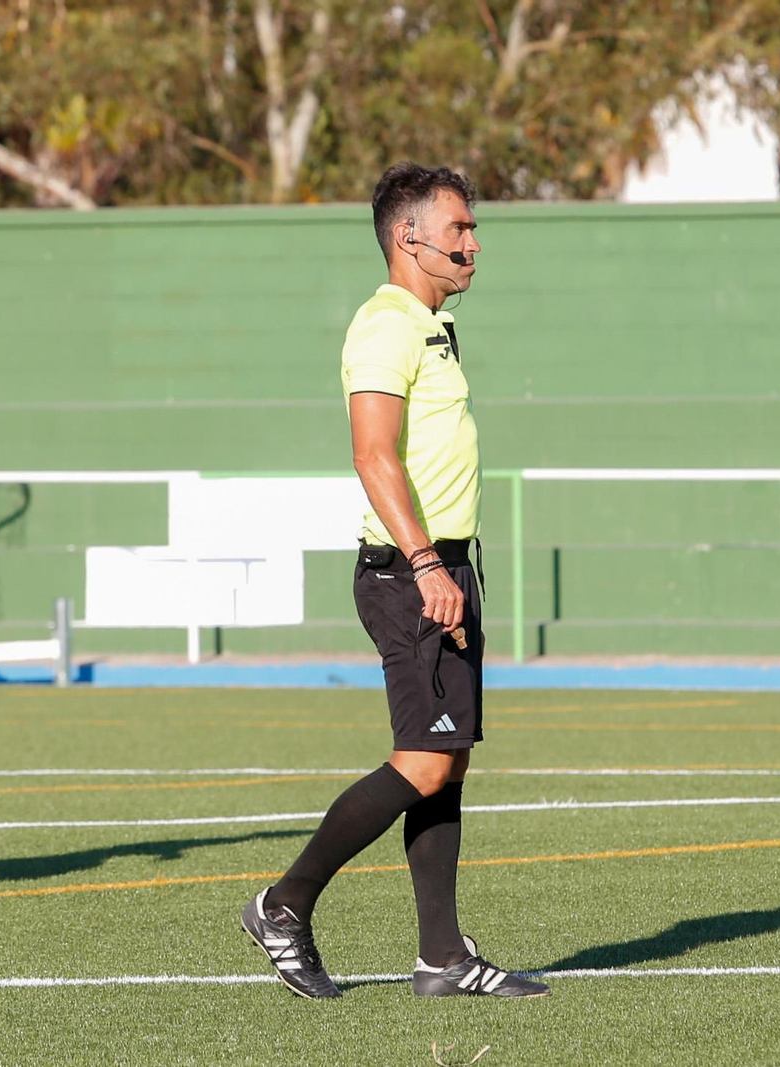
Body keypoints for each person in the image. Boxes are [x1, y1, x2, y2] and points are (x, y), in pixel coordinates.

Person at [241, 162, 548, 999]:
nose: (473, 245)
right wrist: (422, 563)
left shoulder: (432, 325)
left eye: (473, 229)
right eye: (459, 230)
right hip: (411, 574)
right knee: (422, 759)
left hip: (444, 567)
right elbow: (371, 454)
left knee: (446, 760)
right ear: (409, 237)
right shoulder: (386, 326)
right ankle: (284, 902)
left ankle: (443, 958)